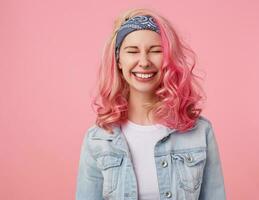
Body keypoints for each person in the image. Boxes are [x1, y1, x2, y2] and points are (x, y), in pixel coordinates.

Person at [76, 8, 226, 200]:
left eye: (156, 51)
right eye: (132, 51)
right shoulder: (98, 139)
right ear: (118, 60)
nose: (144, 62)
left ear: (169, 58)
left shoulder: (199, 131)